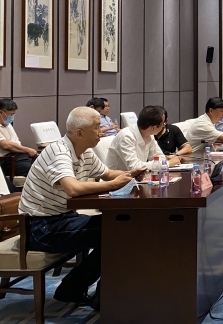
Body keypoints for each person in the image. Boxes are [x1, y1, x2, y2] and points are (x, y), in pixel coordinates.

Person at [18, 107, 140, 310]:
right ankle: (88, 291)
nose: (101, 132)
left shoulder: (84, 152)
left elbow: (108, 173)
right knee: (118, 230)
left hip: (64, 218)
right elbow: (73, 189)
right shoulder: (59, 152)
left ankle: (76, 289)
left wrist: (134, 173)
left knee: (121, 225)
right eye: (97, 127)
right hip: (41, 227)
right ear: (80, 133)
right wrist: (113, 185)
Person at [106, 106, 177, 170]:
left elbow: (159, 157)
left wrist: (162, 163)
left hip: (137, 177)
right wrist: (167, 164)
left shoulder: (149, 134)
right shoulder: (126, 136)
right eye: (163, 124)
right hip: (117, 179)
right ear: (153, 128)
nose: (164, 126)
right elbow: (134, 167)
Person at [0, 98, 38, 182]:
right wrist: (27, 150)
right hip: (7, 160)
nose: (12, 117)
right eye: (11, 114)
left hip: (20, 156)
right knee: (34, 172)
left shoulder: (7, 124)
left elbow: (16, 142)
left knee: (43, 166)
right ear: (1, 112)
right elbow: (6, 145)